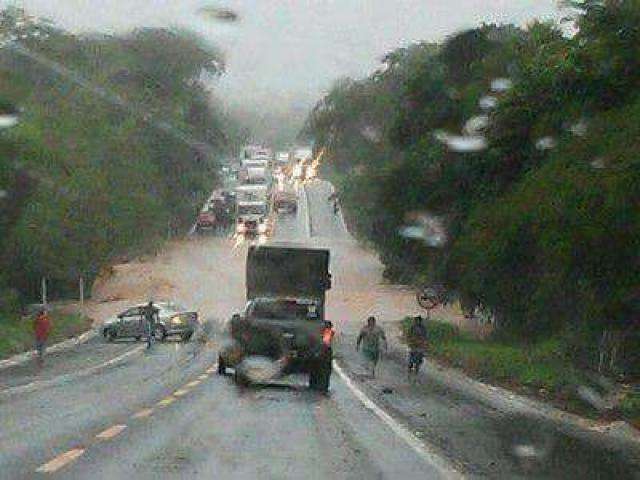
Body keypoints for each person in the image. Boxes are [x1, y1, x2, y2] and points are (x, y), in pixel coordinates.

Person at [407, 315, 428, 381]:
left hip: (420, 347)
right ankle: (409, 374)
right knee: (411, 361)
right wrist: (410, 342)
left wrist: (424, 345)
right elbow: (409, 336)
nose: (416, 322)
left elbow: (425, 337)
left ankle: (415, 374)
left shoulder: (423, 328)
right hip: (413, 346)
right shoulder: (412, 327)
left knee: (418, 362)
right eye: (415, 321)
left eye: (417, 321)